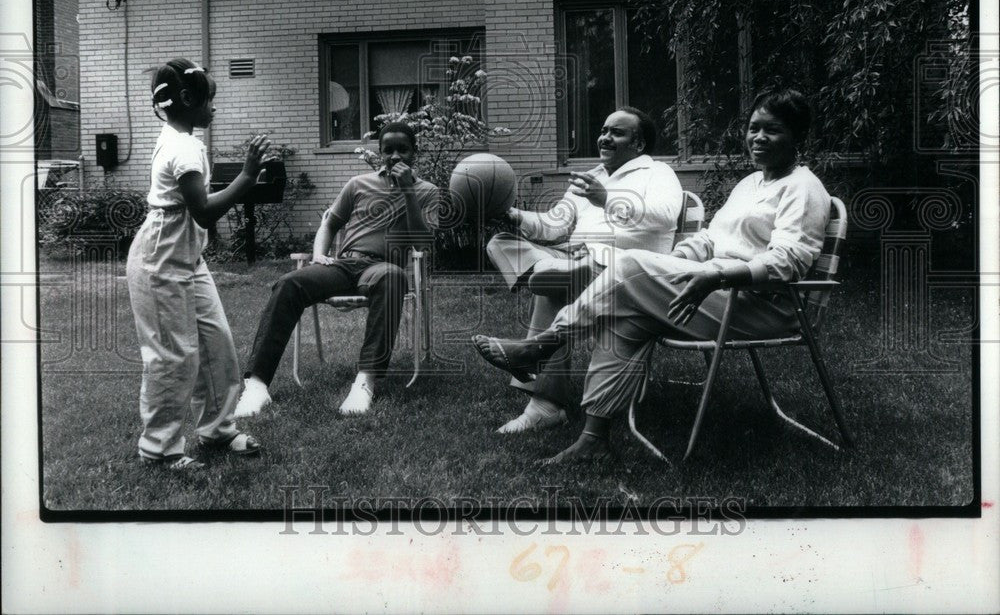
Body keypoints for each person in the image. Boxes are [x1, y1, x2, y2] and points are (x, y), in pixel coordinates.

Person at [474, 89, 831, 463]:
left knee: (628, 268)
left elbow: (789, 261)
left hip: (756, 304)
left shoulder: (802, 188)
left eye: (771, 130)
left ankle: (541, 345)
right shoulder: (750, 184)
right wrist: (677, 261)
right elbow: (710, 238)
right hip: (706, 288)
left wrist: (716, 276)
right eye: (754, 128)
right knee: (625, 315)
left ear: (797, 137)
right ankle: (593, 440)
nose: (758, 138)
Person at [485, 107, 683, 433]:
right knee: (501, 242)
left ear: (639, 144)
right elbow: (555, 224)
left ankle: (544, 404)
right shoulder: (593, 176)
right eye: (604, 130)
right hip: (575, 262)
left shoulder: (658, 172)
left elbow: (664, 216)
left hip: (624, 274)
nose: (605, 137)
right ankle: (553, 271)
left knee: (555, 284)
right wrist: (513, 216)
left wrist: (607, 199)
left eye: (616, 132)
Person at [234, 122, 439, 417]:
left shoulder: (426, 191)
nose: (395, 156)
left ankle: (365, 382)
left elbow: (423, 242)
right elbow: (329, 223)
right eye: (388, 150)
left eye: (402, 149)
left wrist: (408, 190)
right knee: (289, 283)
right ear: (380, 153)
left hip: (382, 268)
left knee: (394, 277)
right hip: (344, 264)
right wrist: (320, 255)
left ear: (414, 153)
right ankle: (256, 387)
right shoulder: (358, 184)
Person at [126, 58, 270, 471]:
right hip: (161, 260)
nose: (215, 106)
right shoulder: (181, 145)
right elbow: (204, 212)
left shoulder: (180, 136)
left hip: (186, 255)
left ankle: (218, 429)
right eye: (210, 98)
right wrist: (247, 177)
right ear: (188, 99)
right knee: (173, 355)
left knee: (216, 343)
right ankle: (159, 448)